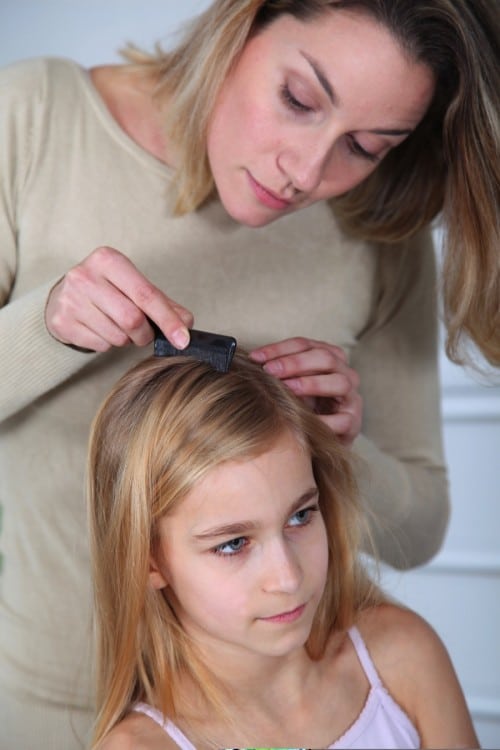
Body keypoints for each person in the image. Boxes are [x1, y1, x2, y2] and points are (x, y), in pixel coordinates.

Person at [0, 1, 498, 748]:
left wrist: (334, 445)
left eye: (365, 145)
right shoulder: (33, 120)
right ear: (244, 24)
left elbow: (420, 527)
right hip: (55, 705)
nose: (306, 173)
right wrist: (47, 326)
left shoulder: (376, 234)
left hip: (292, 712)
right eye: (298, 100)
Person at [87, 351, 479, 750]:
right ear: (149, 561)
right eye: (233, 544)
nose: (288, 577)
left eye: (300, 516)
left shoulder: (403, 658)